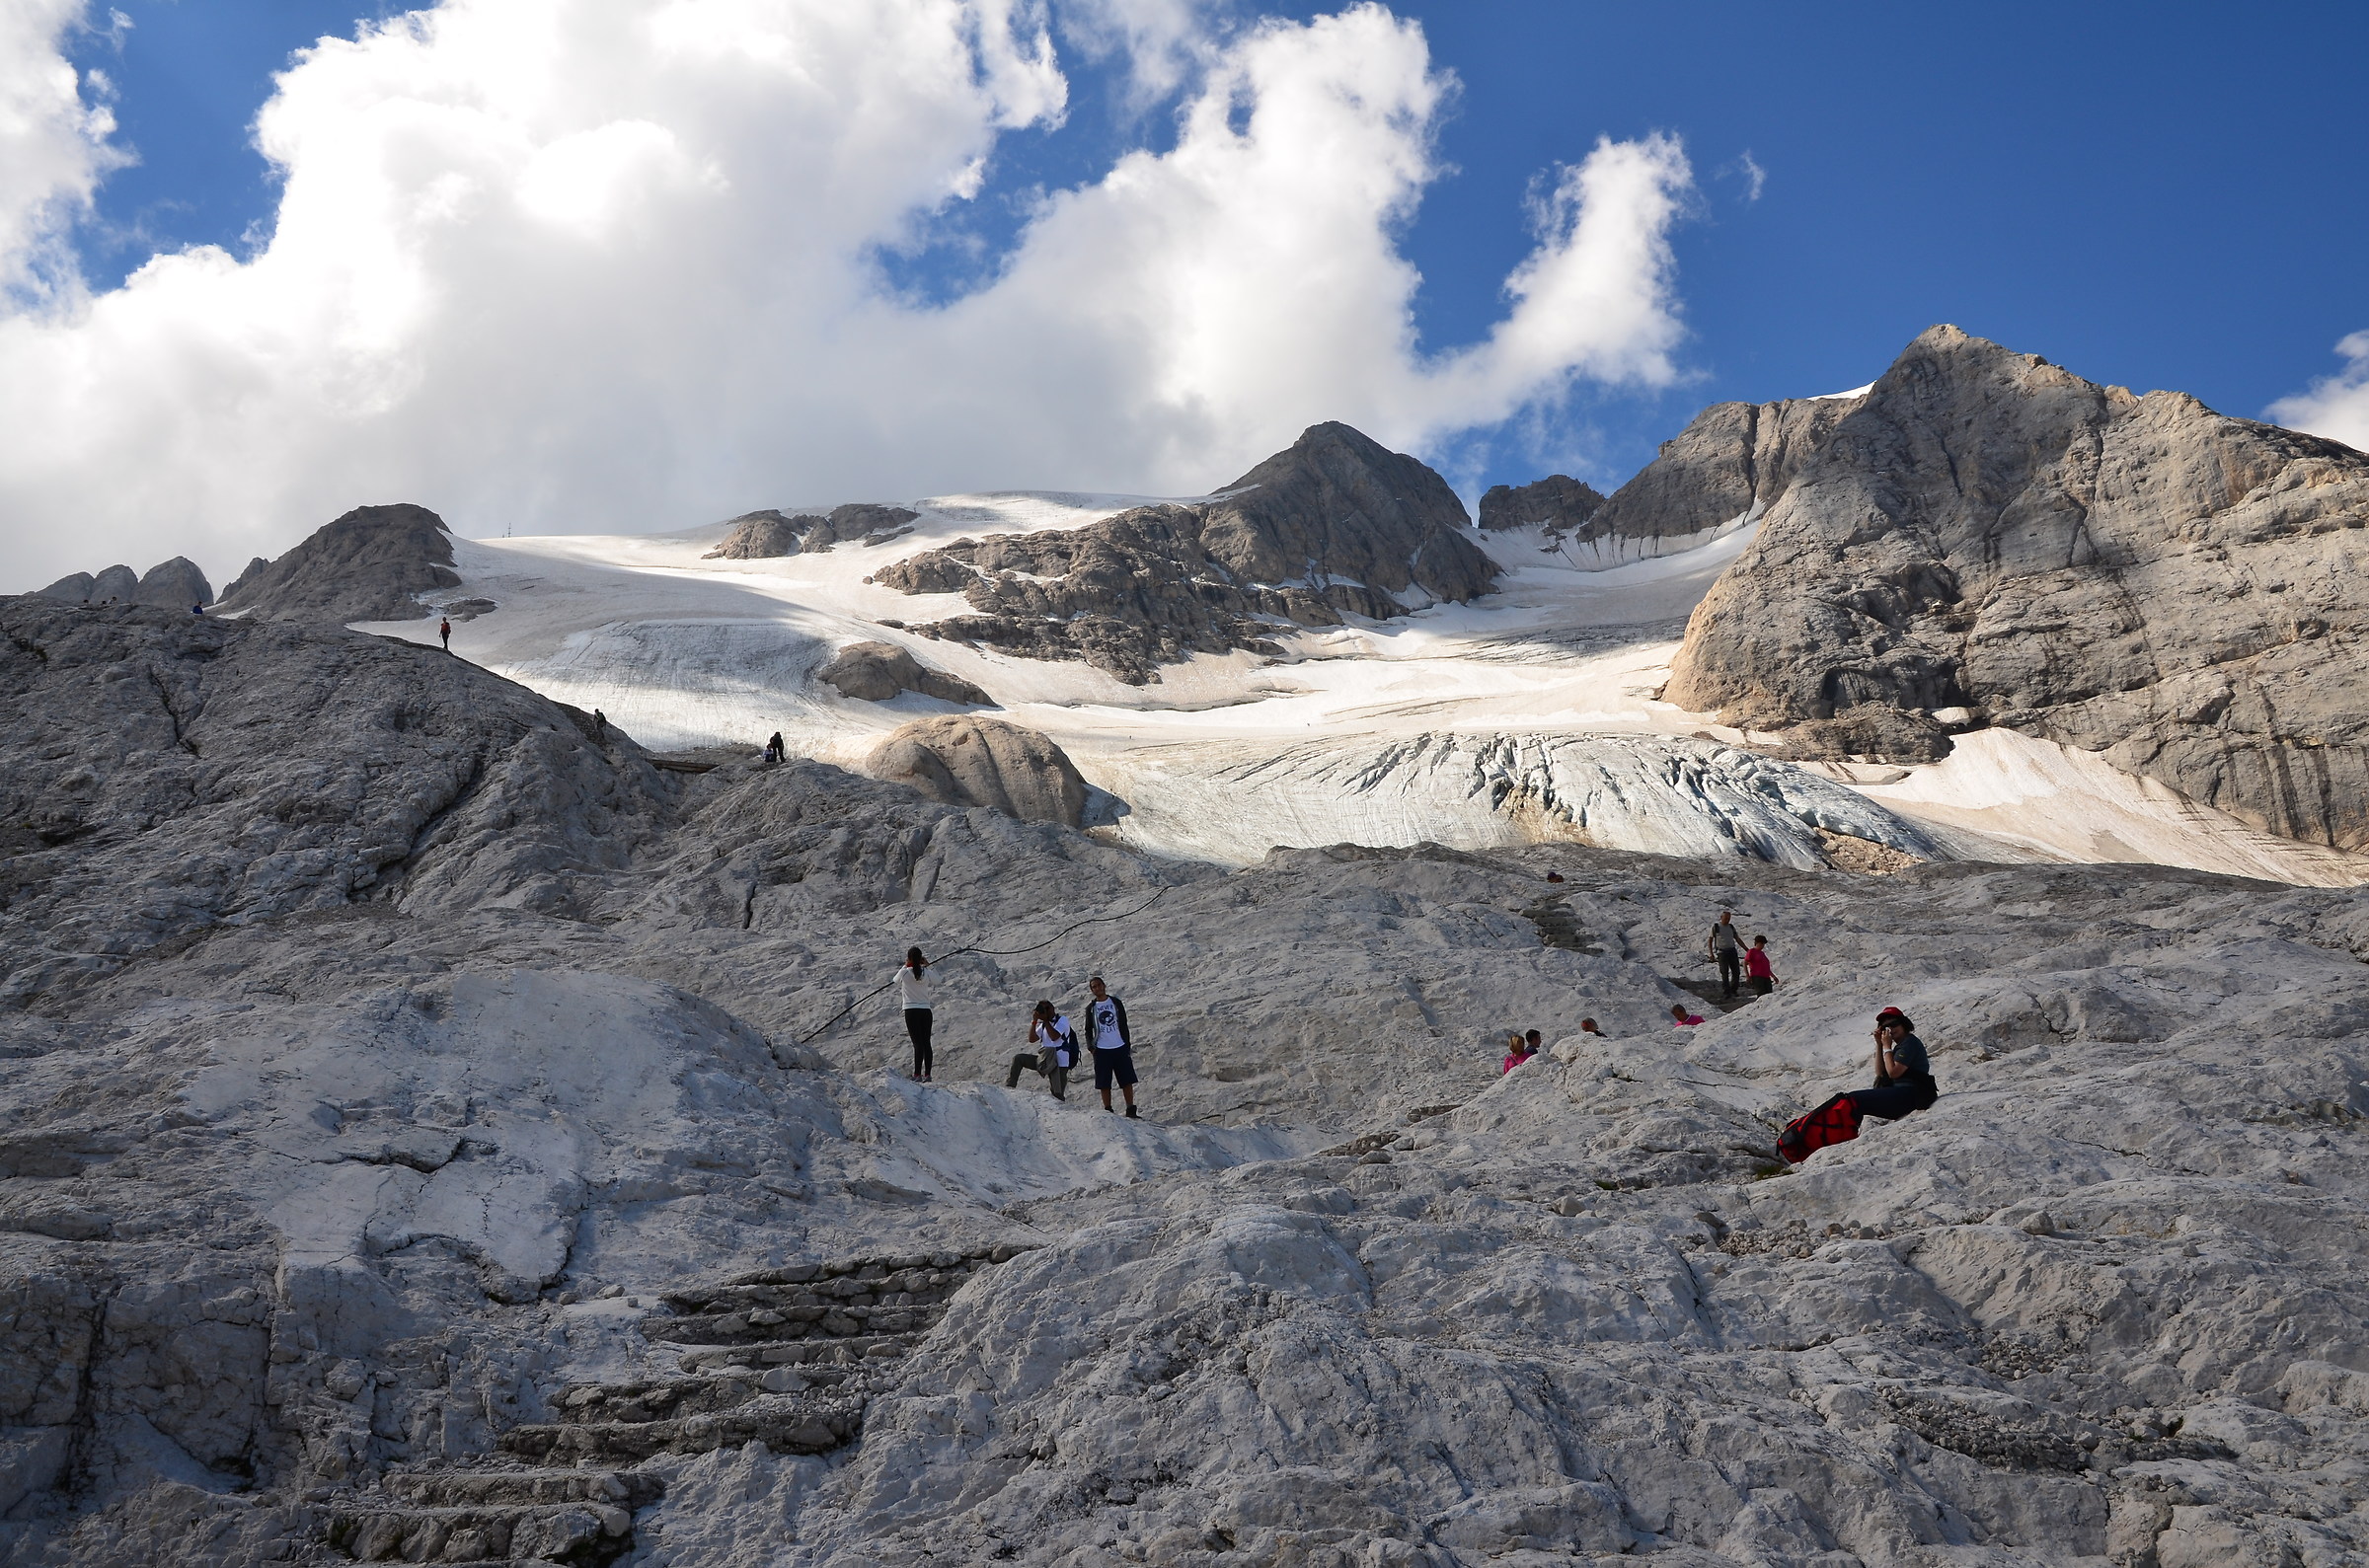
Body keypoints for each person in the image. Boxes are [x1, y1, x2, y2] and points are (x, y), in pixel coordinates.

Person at [1854, 1007, 1938, 1120]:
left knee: (1854, 1099)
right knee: (1852, 1101)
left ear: (1904, 1024)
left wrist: (1887, 1047)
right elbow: (1880, 1073)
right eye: (1885, 1027)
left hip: (1909, 1094)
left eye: (1894, 1024)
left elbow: (1893, 1073)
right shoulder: (1900, 1046)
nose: (1890, 1029)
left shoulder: (1909, 1043)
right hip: (1898, 1093)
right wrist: (1879, 1044)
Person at [1082, 976, 1138, 1117]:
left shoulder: (1116, 1003)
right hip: (1101, 1049)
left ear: (1104, 985)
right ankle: (1108, 1110)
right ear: (1091, 990)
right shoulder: (1091, 1008)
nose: (1097, 988)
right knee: (1104, 1081)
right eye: (1094, 987)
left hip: (1119, 1046)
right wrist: (1091, 1046)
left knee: (1127, 1079)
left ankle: (1130, 1109)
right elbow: (1088, 1029)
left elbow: (1123, 1024)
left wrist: (1127, 1044)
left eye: (1099, 985)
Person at [1006, 1001, 1076, 1098]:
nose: (1046, 1011)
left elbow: (1054, 1036)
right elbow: (1032, 1039)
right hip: (1044, 1059)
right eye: (1043, 1009)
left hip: (1059, 1062)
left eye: (1047, 1008)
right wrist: (1035, 1022)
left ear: (1052, 1008)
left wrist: (1046, 1020)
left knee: (1057, 1094)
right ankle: (1010, 1086)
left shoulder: (1062, 1020)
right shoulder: (1043, 1025)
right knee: (1019, 1058)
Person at [897, 947, 934, 1082]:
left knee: (917, 1043)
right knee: (926, 1043)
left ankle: (917, 1075)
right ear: (921, 958)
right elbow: (938, 980)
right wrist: (928, 966)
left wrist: (906, 965)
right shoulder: (926, 972)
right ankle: (928, 1074)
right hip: (925, 1010)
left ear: (909, 958)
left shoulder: (905, 973)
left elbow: (895, 980)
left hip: (911, 1010)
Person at [1708, 909, 1743, 999]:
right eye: (1726, 918)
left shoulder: (1731, 927)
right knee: (1725, 972)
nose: (1727, 920)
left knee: (1736, 972)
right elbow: (1710, 940)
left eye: (1729, 918)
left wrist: (1747, 949)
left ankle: (1733, 990)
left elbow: (1737, 938)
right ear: (1721, 918)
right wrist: (1711, 953)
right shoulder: (1716, 927)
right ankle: (1726, 992)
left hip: (1732, 950)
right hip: (1722, 952)